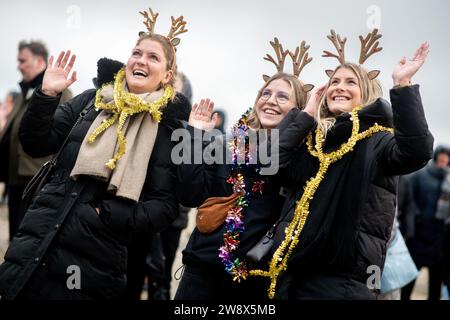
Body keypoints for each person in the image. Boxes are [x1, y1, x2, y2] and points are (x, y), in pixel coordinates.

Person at [0, 8, 191, 300]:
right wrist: (46, 95)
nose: (141, 60)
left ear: (167, 76)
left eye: (153, 57)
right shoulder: (93, 101)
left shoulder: (166, 130)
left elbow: (165, 208)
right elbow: (36, 143)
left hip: (96, 256)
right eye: (137, 53)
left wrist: (106, 215)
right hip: (40, 236)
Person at [250, 29, 434, 299]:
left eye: (351, 83)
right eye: (335, 81)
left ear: (366, 93)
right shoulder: (315, 141)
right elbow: (270, 166)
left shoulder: (378, 140)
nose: (340, 87)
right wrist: (307, 114)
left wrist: (402, 85)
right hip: (293, 273)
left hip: (343, 282)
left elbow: (417, 151)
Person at [174, 38, 315, 300]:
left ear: (299, 111)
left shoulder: (302, 158)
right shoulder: (228, 144)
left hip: (253, 279)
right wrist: (193, 135)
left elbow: (271, 161)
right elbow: (189, 194)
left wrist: (301, 125)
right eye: (266, 93)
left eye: (283, 97)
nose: (270, 101)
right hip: (201, 270)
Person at [0, 41, 72, 241]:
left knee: (28, 240)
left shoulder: (59, 91)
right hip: (16, 180)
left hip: (37, 181)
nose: (18, 66)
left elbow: (62, 137)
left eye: (23, 61)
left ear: (40, 60)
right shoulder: (24, 93)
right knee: (15, 237)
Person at [401, 146, 450, 300]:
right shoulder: (420, 176)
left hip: (439, 241)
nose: (443, 161)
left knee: (436, 285)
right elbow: (409, 201)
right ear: (436, 158)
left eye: (446, 159)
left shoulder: (448, 179)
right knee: (409, 280)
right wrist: (415, 219)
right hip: (418, 237)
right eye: (441, 158)